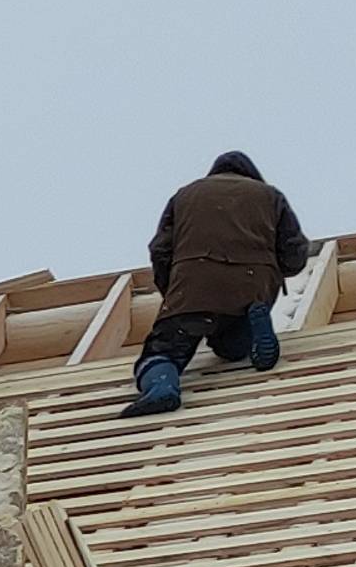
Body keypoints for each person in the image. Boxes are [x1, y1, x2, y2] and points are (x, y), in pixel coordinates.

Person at [129, 151, 309, 417]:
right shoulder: (269, 195)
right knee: (231, 347)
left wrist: (173, 293)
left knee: (163, 352)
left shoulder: (185, 195)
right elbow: (295, 254)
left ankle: (162, 387)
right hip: (252, 288)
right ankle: (253, 327)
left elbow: (160, 251)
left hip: (193, 287)